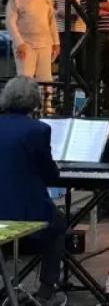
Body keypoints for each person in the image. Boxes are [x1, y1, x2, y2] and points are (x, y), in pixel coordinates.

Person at [0, 76, 67, 306]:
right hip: (24, 218)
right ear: (35, 102)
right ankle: (46, 293)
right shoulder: (37, 130)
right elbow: (51, 176)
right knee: (58, 224)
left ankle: (8, 288)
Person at [6, 0, 60, 103]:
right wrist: (19, 43)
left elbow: (51, 20)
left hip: (45, 43)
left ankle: (47, 108)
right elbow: (10, 22)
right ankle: (23, 108)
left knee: (46, 78)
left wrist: (56, 42)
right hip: (25, 44)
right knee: (25, 78)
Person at [48, 0, 86, 76]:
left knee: (82, 62)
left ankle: (82, 90)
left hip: (80, 28)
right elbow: (48, 6)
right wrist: (59, 12)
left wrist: (80, 13)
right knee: (64, 60)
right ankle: (64, 90)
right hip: (62, 28)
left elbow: (90, 5)